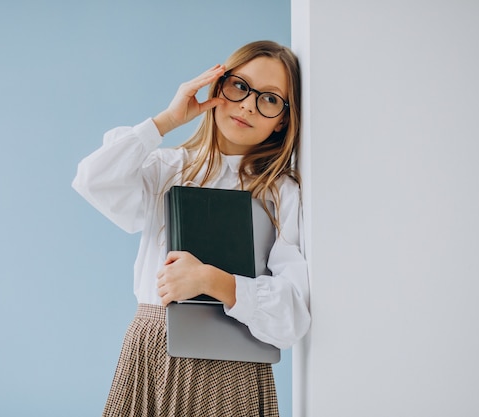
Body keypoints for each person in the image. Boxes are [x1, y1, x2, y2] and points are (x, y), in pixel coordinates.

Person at [72, 40, 311, 416]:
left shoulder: (280, 193)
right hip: (154, 355)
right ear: (218, 88)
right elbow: (93, 180)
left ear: (283, 117)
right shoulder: (168, 169)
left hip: (234, 373)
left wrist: (211, 281)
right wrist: (166, 121)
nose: (248, 104)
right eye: (240, 87)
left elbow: (292, 318)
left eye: (269, 99)